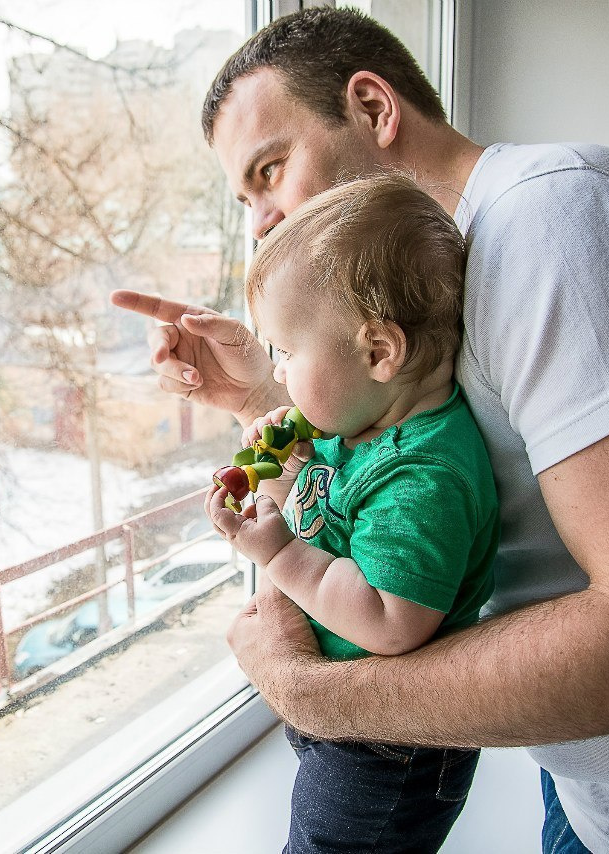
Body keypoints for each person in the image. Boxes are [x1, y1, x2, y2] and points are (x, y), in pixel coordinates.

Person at [110, 8, 609, 854]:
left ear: (374, 109)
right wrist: (261, 395)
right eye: (246, 199)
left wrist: (314, 696)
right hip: (602, 792)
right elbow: (413, 448)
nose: (261, 219)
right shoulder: (452, 286)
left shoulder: (562, 226)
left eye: (272, 169)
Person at [205, 173, 498, 853]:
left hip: (390, 750)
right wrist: (285, 474)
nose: (278, 374)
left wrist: (277, 555)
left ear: (377, 352)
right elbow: (332, 520)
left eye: (288, 352)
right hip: (353, 724)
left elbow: (390, 619)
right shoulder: (357, 429)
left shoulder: (422, 477)